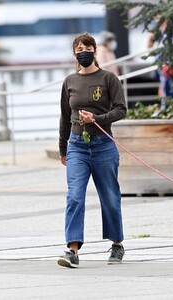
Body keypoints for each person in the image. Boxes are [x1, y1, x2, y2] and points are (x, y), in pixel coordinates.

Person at [57, 32, 127, 268]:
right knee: (74, 196)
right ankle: (72, 250)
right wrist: (62, 147)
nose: (83, 52)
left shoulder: (108, 79)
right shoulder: (69, 81)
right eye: (78, 49)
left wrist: (97, 118)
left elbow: (121, 109)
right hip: (77, 146)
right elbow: (65, 118)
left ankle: (117, 244)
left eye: (87, 48)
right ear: (74, 54)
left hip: (103, 146)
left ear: (95, 51)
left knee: (109, 197)